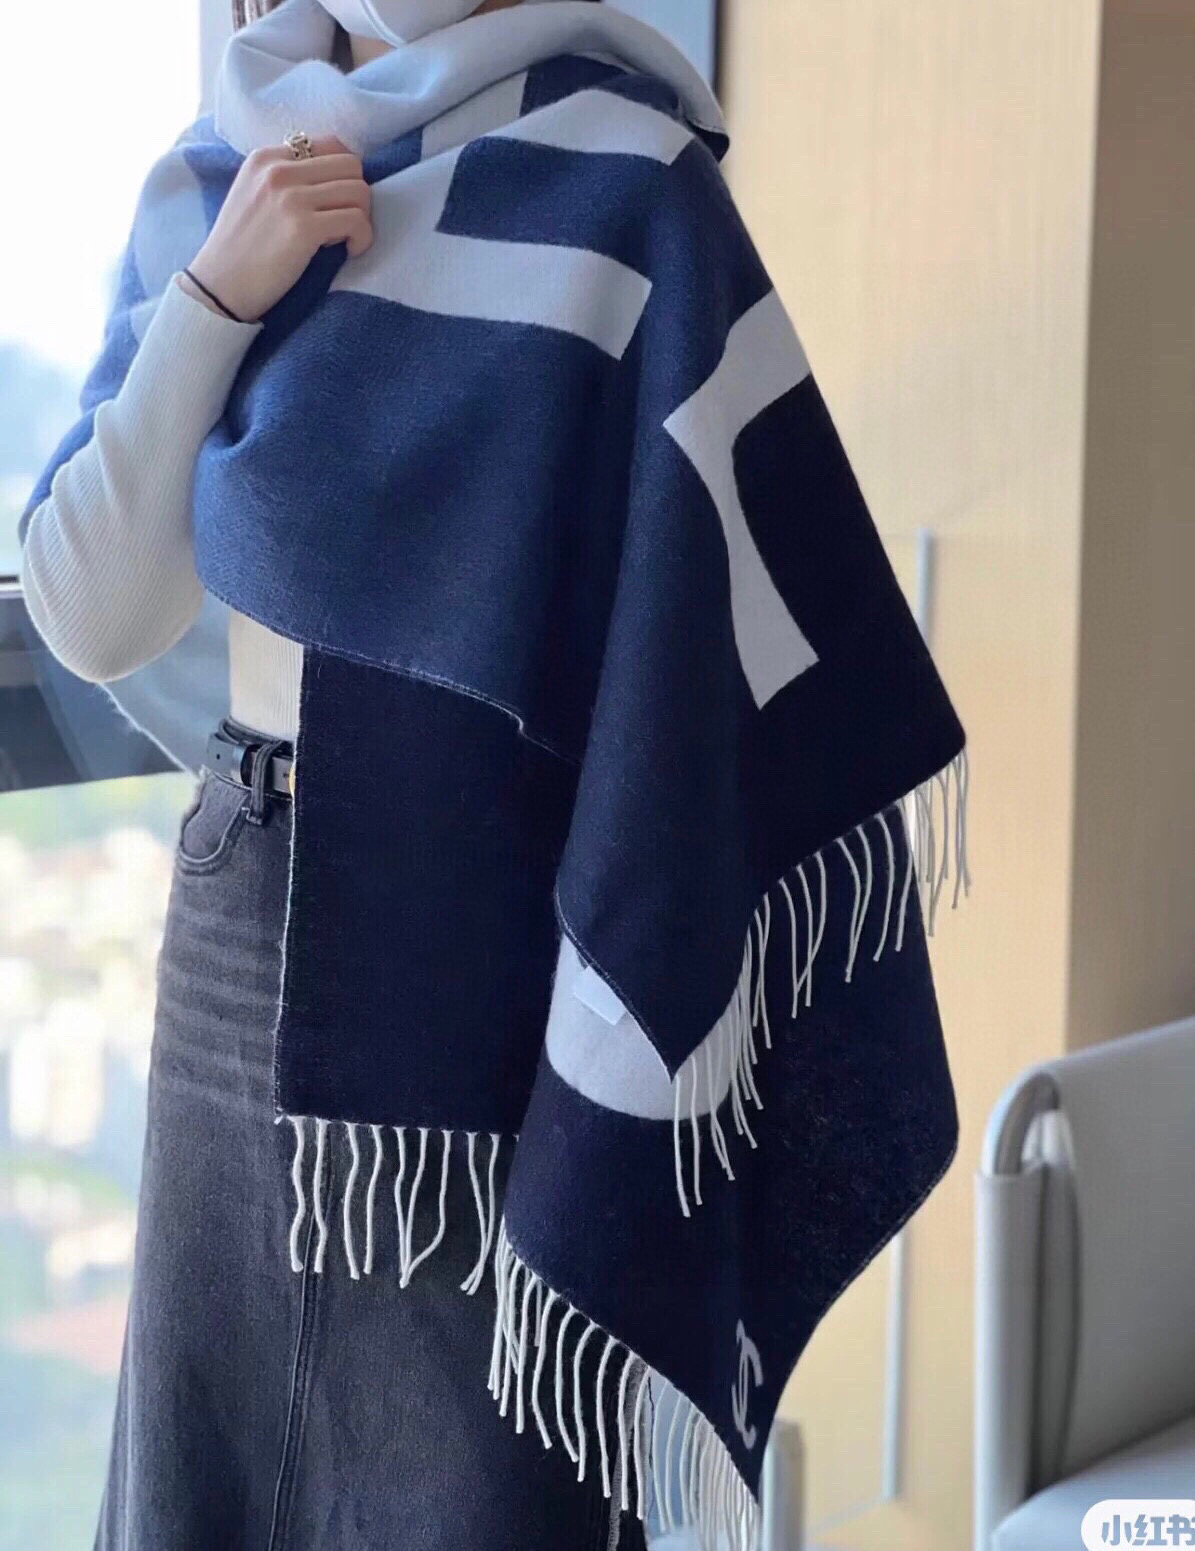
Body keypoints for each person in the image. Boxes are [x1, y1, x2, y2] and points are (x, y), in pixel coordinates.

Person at [21, 2, 968, 1548]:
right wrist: (216, 294)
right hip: (246, 908)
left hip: (500, 930)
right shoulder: (218, 174)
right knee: (202, 1480)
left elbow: (708, 598)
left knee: (487, 1491)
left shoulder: (628, 179)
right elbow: (89, 606)